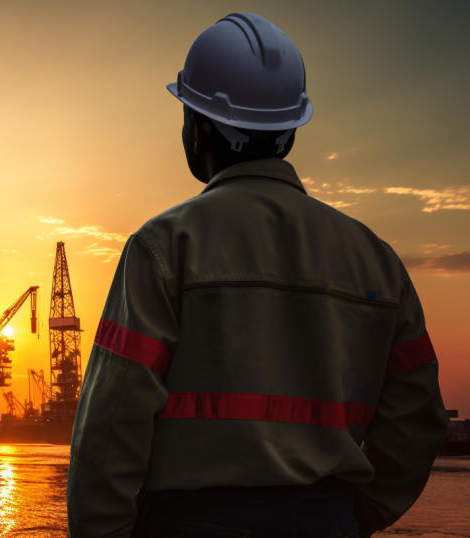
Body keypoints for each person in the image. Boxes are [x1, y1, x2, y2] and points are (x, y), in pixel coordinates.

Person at [67, 12, 447, 538]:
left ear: (199, 129)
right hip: (329, 519)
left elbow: (111, 427)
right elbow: (420, 414)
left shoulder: (164, 248)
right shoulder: (377, 261)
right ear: (289, 130)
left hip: (190, 522)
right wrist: (361, 513)